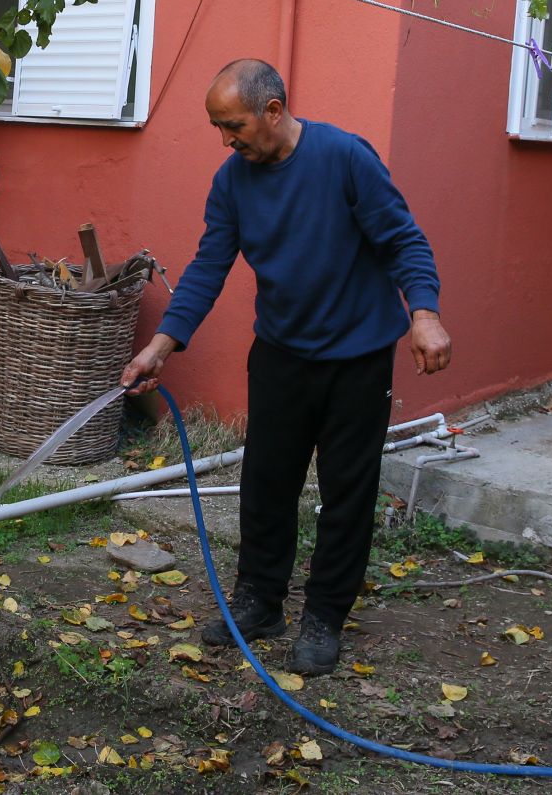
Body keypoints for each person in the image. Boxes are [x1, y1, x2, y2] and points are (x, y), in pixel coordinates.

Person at [121, 58, 451, 677]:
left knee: (346, 493)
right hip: (279, 354)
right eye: (218, 127)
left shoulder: (345, 158)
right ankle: (260, 602)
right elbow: (208, 267)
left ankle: (324, 616)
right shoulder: (232, 181)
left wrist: (424, 314)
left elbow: (402, 240)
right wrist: (161, 345)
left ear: (272, 111)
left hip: (357, 357)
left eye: (233, 125)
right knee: (265, 484)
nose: (226, 140)